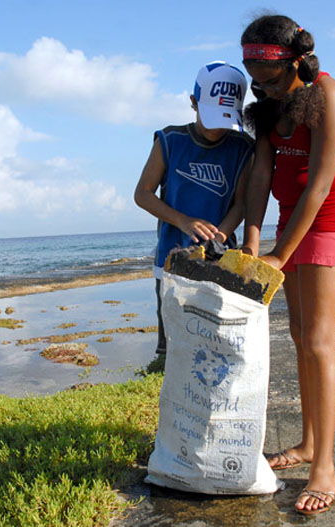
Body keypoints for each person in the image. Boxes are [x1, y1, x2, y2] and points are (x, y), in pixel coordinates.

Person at [239, 15, 335, 515]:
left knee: (318, 340)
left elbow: (319, 187)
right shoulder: (271, 106)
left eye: (268, 81)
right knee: (296, 334)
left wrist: (279, 255)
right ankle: (309, 444)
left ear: (294, 62)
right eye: (254, 82)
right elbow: (261, 175)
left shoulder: (330, 98)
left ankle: (324, 467)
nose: (261, 90)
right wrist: (252, 239)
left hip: (330, 220)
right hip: (290, 222)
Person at [134, 61, 254, 355]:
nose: (217, 129)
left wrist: (222, 234)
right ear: (193, 102)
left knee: (215, 343)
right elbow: (143, 194)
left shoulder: (242, 147)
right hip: (171, 259)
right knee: (172, 347)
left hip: (220, 260)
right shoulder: (171, 140)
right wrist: (184, 221)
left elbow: (242, 202)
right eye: (211, 116)